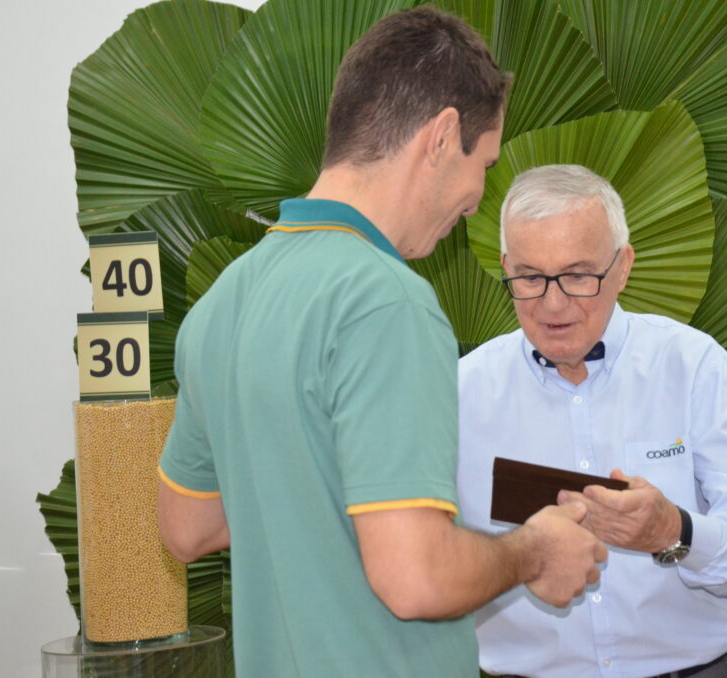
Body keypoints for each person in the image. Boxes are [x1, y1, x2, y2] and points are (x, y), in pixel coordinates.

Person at [155, 11, 607, 678]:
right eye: (483, 163)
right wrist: (534, 551)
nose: (478, 200)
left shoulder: (225, 299)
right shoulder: (385, 301)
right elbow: (414, 579)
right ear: (442, 136)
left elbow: (186, 527)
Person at [457, 164, 727, 678]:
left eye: (577, 275)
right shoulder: (460, 391)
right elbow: (420, 561)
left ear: (623, 267)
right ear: (506, 267)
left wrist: (674, 530)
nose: (552, 304)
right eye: (529, 277)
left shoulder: (690, 364)